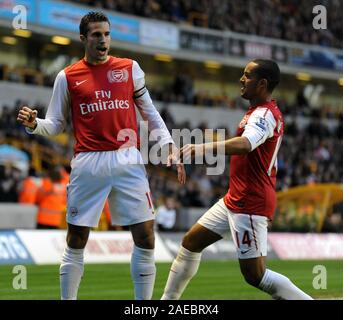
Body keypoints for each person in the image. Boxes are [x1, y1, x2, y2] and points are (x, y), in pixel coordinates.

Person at [17, 11, 185, 300]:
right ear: (83, 38)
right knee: (77, 239)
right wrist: (35, 125)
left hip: (128, 159)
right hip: (88, 162)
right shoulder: (67, 76)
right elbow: (56, 123)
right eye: (96, 34)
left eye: (106, 34)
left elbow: (150, 112)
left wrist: (169, 144)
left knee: (145, 236)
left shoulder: (130, 68)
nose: (103, 39)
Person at [162, 59, 313, 300]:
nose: (241, 79)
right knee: (191, 242)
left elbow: (245, 144)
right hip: (235, 198)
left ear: (262, 83)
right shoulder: (258, 111)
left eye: (247, 75)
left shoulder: (264, 114)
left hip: (250, 201)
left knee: (256, 276)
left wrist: (200, 148)